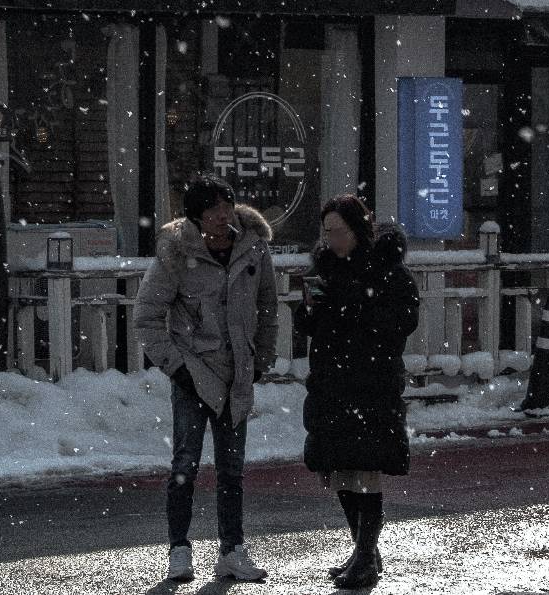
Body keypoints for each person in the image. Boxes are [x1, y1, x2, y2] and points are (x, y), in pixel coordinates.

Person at [137, 173, 277, 585]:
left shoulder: (253, 248)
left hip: (237, 374)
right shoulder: (177, 253)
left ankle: (232, 549)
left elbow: (268, 305)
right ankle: (178, 550)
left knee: (232, 469)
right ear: (195, 216)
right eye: (211, 208)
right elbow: (147, 317)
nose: (222, 215)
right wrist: (177, 367)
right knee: (185, 463)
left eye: (226, 205)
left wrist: (262, 357)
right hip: (194, 374)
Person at [300, 194, 420, 589]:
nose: (331, 239)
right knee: (339, 469)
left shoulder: (387, 271)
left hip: (371, 385)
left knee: (365, 471)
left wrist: (351, 304)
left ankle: (366, 555)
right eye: (327, 231)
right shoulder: (326, 270)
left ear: (358, 230)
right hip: (333, 384)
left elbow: (401, 322)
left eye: (339, 231)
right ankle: (363, 549)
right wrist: (309, 312)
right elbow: (317, 326)